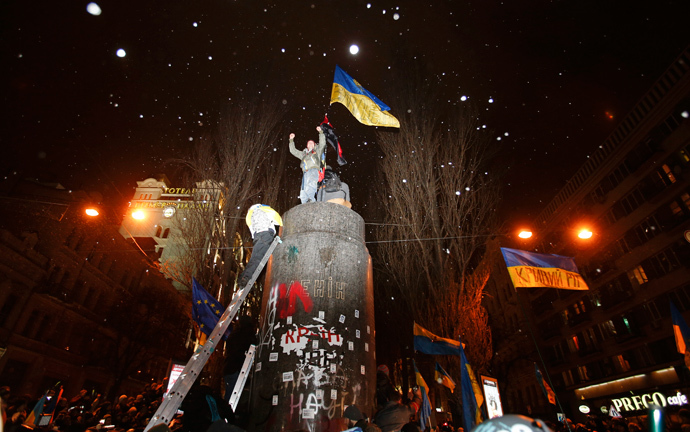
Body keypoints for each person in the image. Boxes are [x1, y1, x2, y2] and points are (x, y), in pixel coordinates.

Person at [237, 204, 282, 287]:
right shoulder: (266, 210)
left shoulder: (250, 215)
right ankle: (246, 278)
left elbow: (251, 228)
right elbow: (278, 220)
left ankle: (242, 279)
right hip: (266, 234)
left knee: (254, 259)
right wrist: (281, 231)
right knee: (258, 259)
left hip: (257, 236)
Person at [289, 126, 326, 204]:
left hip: (314, 170)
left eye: (312, 143)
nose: (310, 143)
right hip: (305, 172)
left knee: (311, 186)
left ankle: (312, 202)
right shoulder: (303, 154)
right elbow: (293, 151)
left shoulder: (317, 151)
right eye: (309, 143)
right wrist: (291, 140)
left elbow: (322, 143)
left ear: (314, 145)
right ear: (307, 145)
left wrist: (321, 132)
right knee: (303, 191)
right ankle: (304, 204)